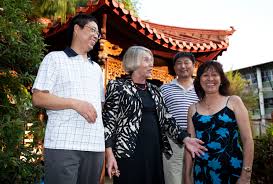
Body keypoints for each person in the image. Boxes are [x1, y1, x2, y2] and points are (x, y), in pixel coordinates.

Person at [103, 46, 207, 184]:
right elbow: (108, 122)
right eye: (146, 60)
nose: (151, 64)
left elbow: (166, 119)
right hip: (128, 153)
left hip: (153, 150)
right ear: (133, 61)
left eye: (151, 60)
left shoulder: (155, 90)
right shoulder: (117, 86)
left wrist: (185, 139)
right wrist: (109, 154)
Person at [32, 14, 104, 184]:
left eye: (98, 33)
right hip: (63, 145)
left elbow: (99, 106)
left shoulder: (97, 69)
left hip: (95, 146)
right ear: (77, 29)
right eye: (92, 30)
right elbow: (38, 97)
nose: (95, 35)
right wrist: (74, 103)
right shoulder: (55, 58)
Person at [184, 61, 254, 184]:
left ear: (221, 79)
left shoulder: (234, 102)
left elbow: (247, 140)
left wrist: (246, 175)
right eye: (205, 75)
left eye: (215, 74)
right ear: (199, 80)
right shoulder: (192, 109)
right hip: (202, 172)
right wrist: (187, 177)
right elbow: (190, 146)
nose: (210, 79)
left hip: (232, 171)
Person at [161, 52, 199, 184]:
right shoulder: (164, 89)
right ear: (174, 67)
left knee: (195, 177)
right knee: (173, 178)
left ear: (194, 66)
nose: (183, 66)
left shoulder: (201, 88)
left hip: (196, 140)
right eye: (179, 63)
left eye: (187, 62)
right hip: (173, 140)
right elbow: (161, 115)